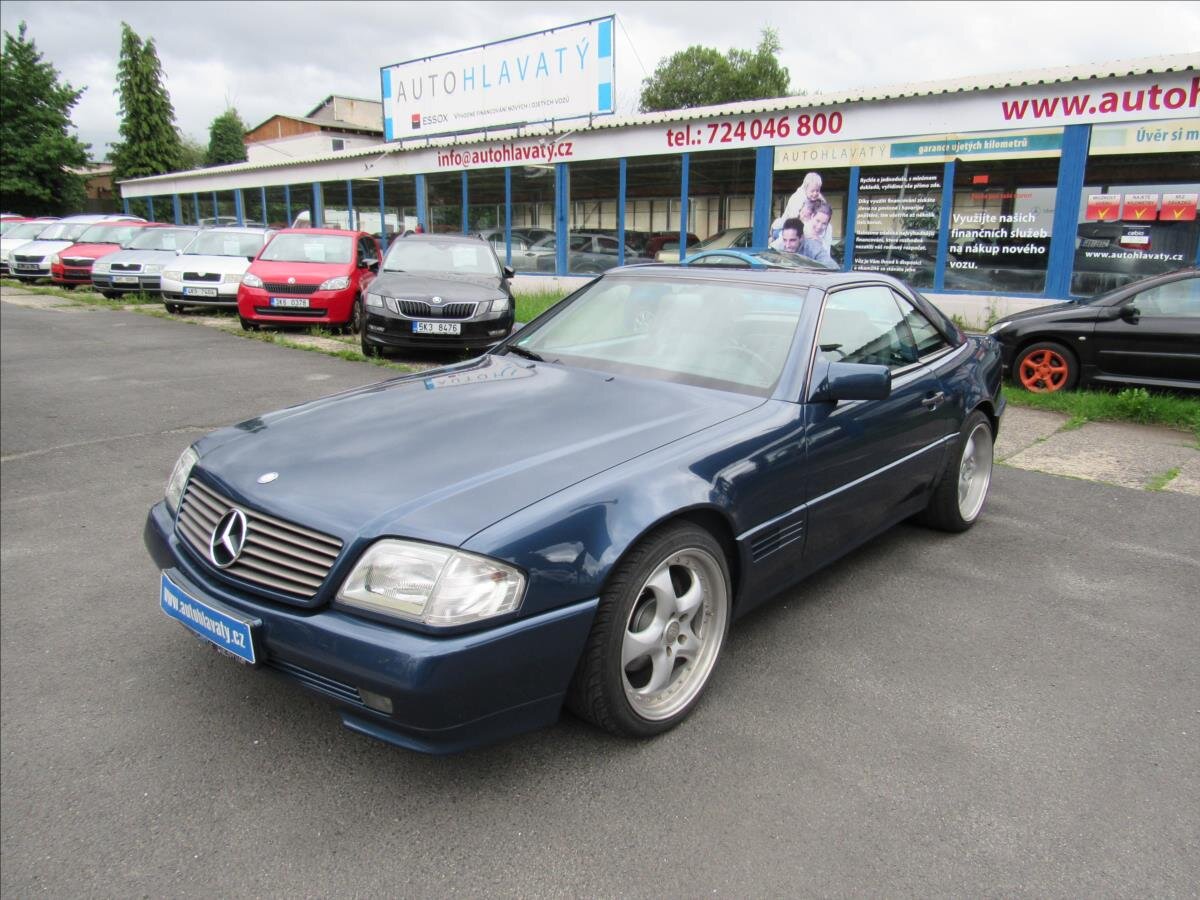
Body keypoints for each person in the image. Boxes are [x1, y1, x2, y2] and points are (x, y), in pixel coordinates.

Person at [798, 201, 836, 268]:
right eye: (817, 221)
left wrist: (821, 242)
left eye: (824, 224)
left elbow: (827, 256)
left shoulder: (828, 229)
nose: (819, 226)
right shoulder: (801, 227)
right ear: (812, 216)